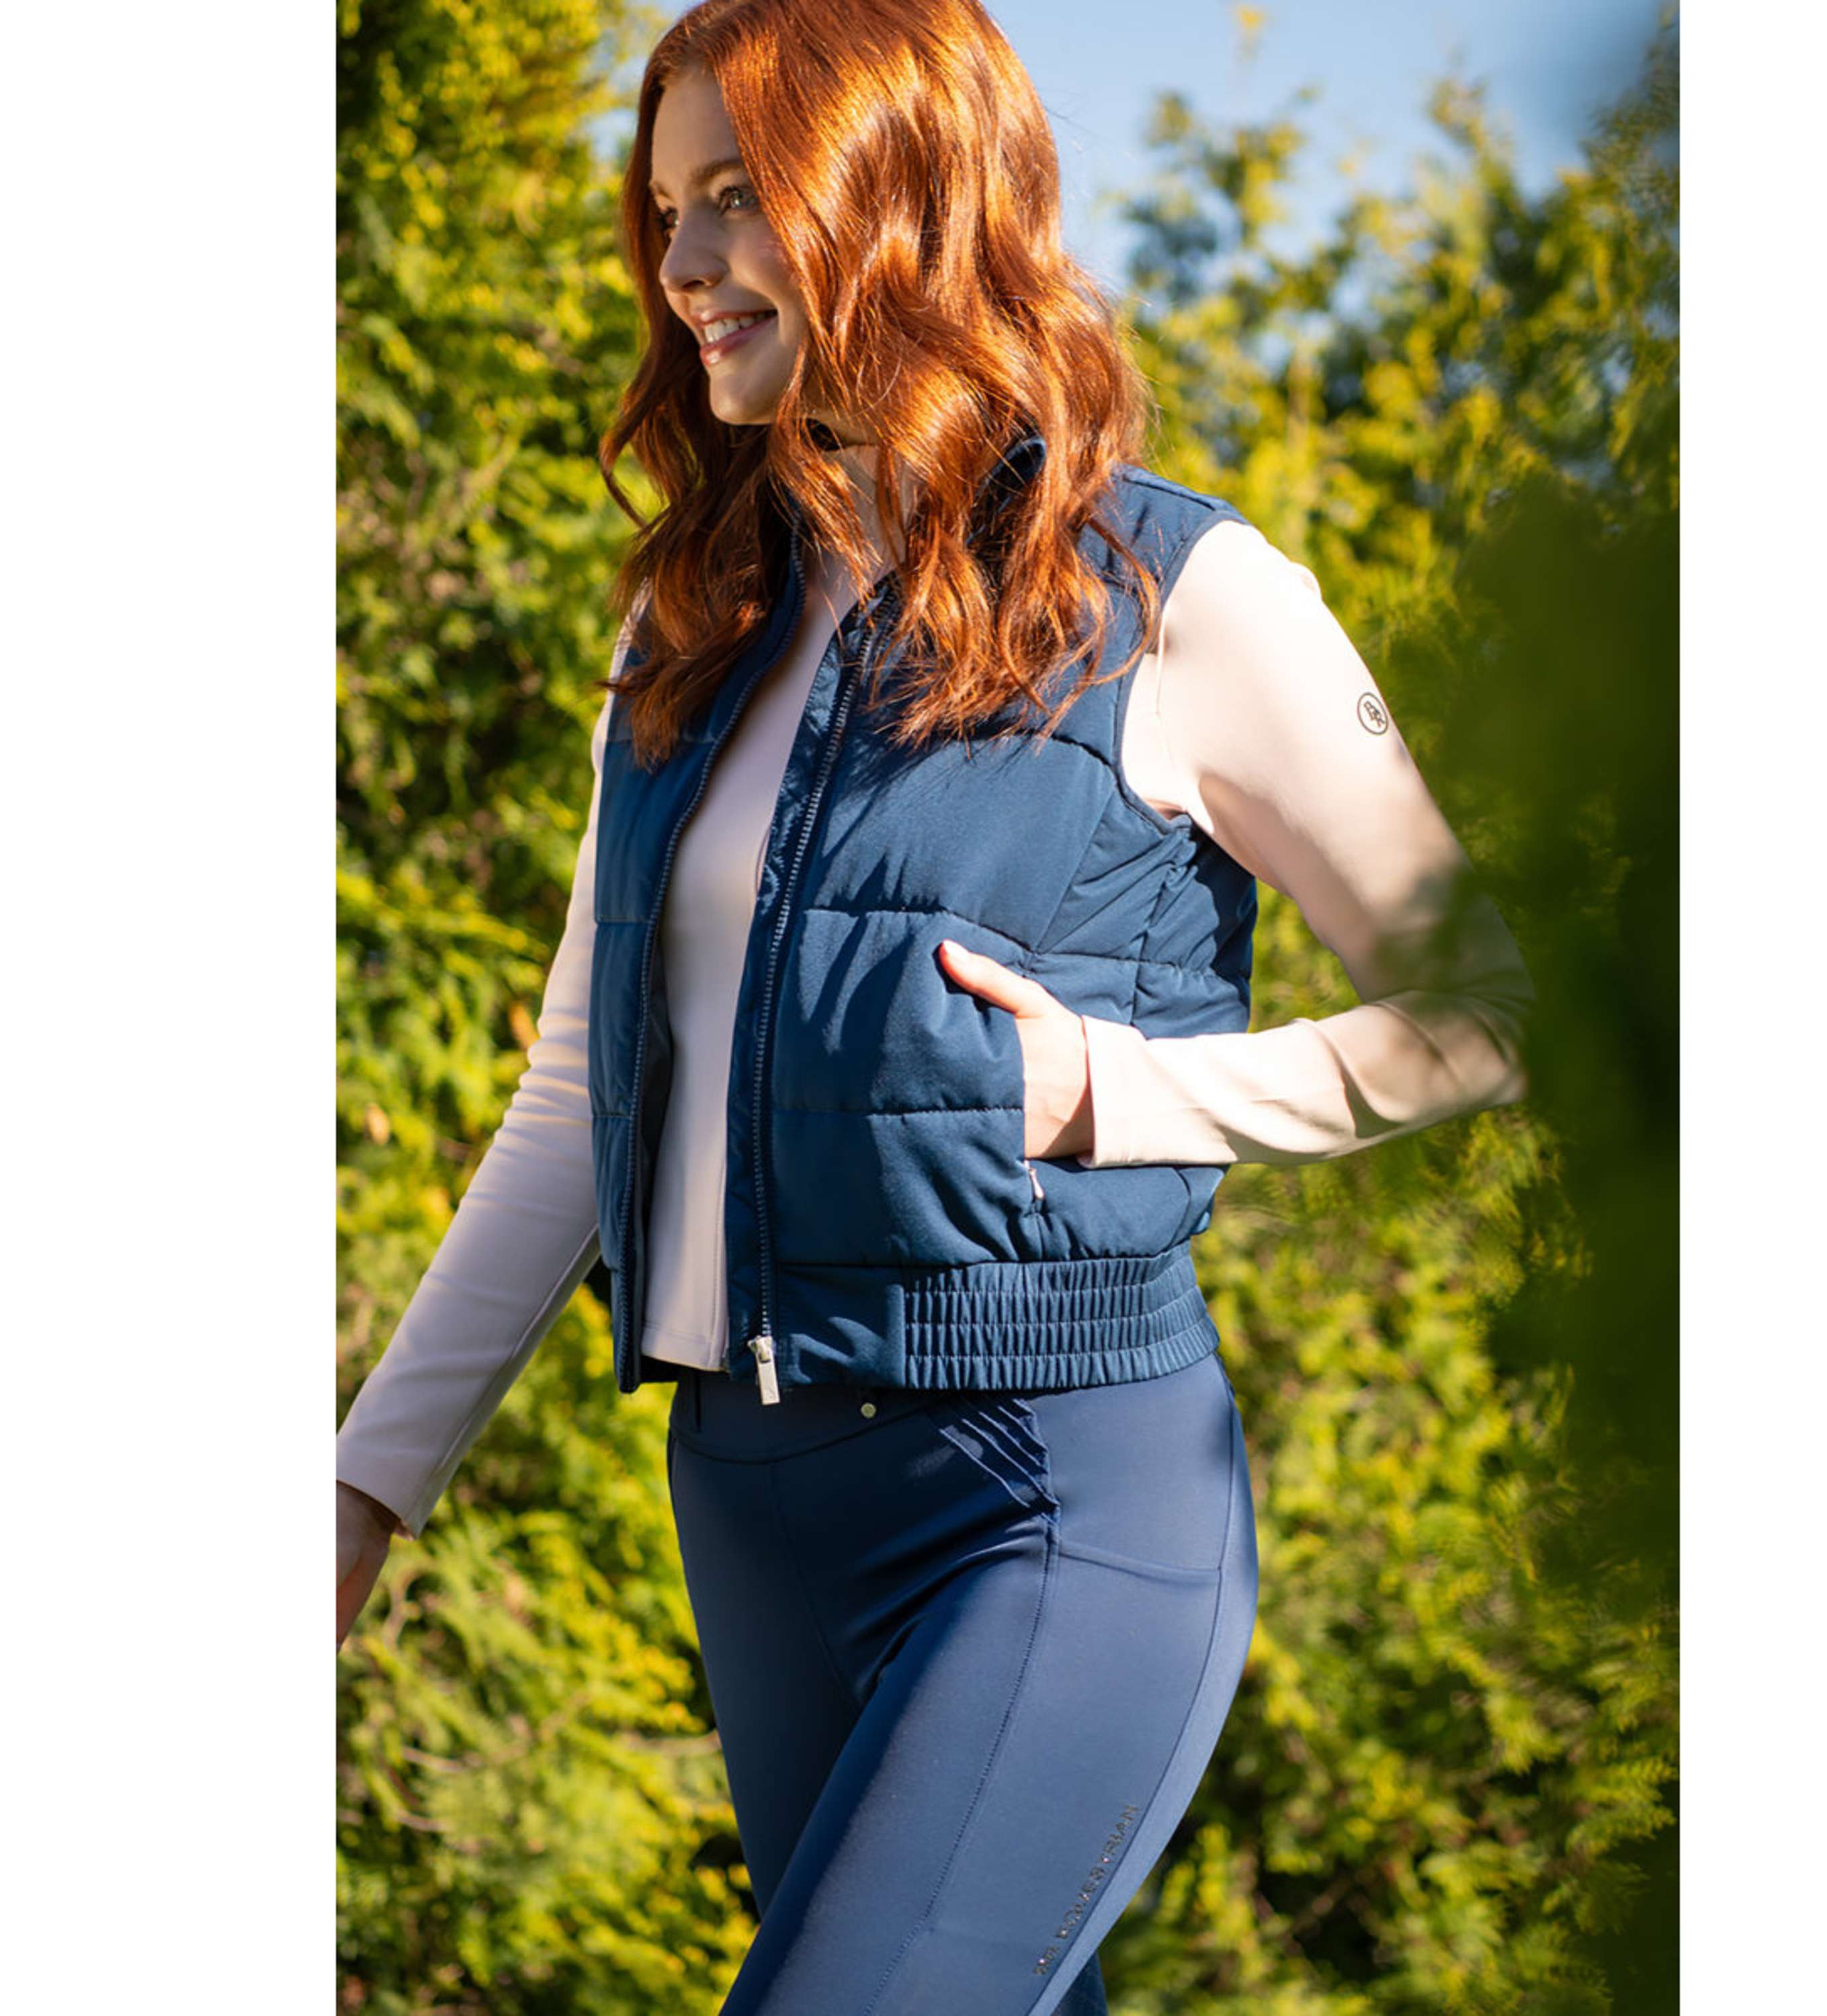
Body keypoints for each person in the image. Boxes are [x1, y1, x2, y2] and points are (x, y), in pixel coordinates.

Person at [337, 3, 1535, 2011]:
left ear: (899, 195)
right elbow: (575, 1093)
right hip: (747, 1505)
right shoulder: (688, 621)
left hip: (1054, 1502)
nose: (683, 262)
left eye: (739, 197)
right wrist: (364, 1483)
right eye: (665, 210)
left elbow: (1484, 1014)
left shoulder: (1182, 598)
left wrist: (1128, 1094)